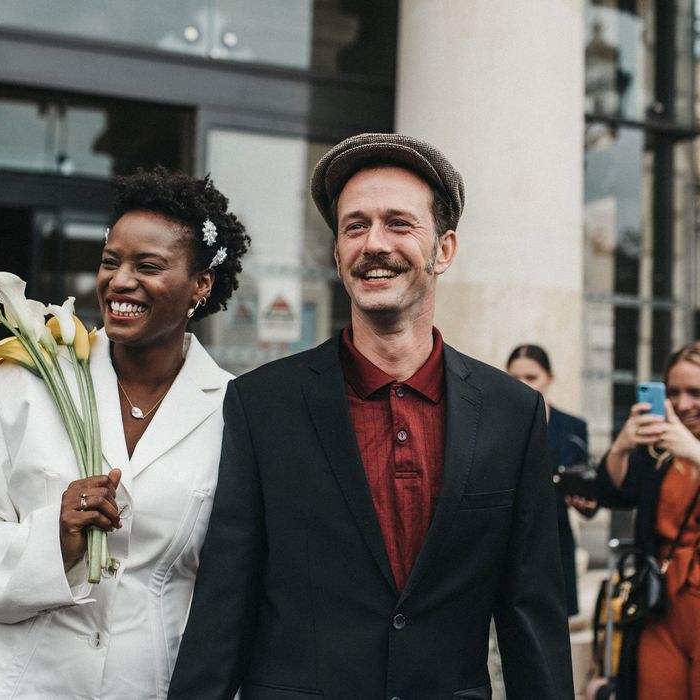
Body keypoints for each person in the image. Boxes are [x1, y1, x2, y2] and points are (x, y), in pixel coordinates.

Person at [168, 133, 574, 699]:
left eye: (399, 224)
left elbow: (533, 620)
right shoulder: (263, 404)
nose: (373, 243)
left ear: (445, 249)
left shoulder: (514, 413)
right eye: (355, 226)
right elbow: (222, 608)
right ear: (337, 254)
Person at [0, 166, 249, 699]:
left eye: (148, 266)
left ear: (201, 284)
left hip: (150, 686)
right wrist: (52, 538)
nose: (120, 281)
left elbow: (229, 591)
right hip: (19, 686)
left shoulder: (233, 411)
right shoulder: (17, 378)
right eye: (110, 261)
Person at [596, 341, 700, 700]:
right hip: (660, 600)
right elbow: (612, 493)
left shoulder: (686, 447)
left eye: (695, 392)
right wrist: (622, 446)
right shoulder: (659, 446)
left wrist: (696, 454)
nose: (683, 404)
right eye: (673, 392)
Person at [507, 343, 596, 617]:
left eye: (531, 377)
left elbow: (588, 494)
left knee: (553, 631)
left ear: (549, 378)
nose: (522, 385)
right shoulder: (495, 423)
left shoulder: (572, 427)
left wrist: (585, 499)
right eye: (514, 378)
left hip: (555, 541)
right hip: (507, 543)